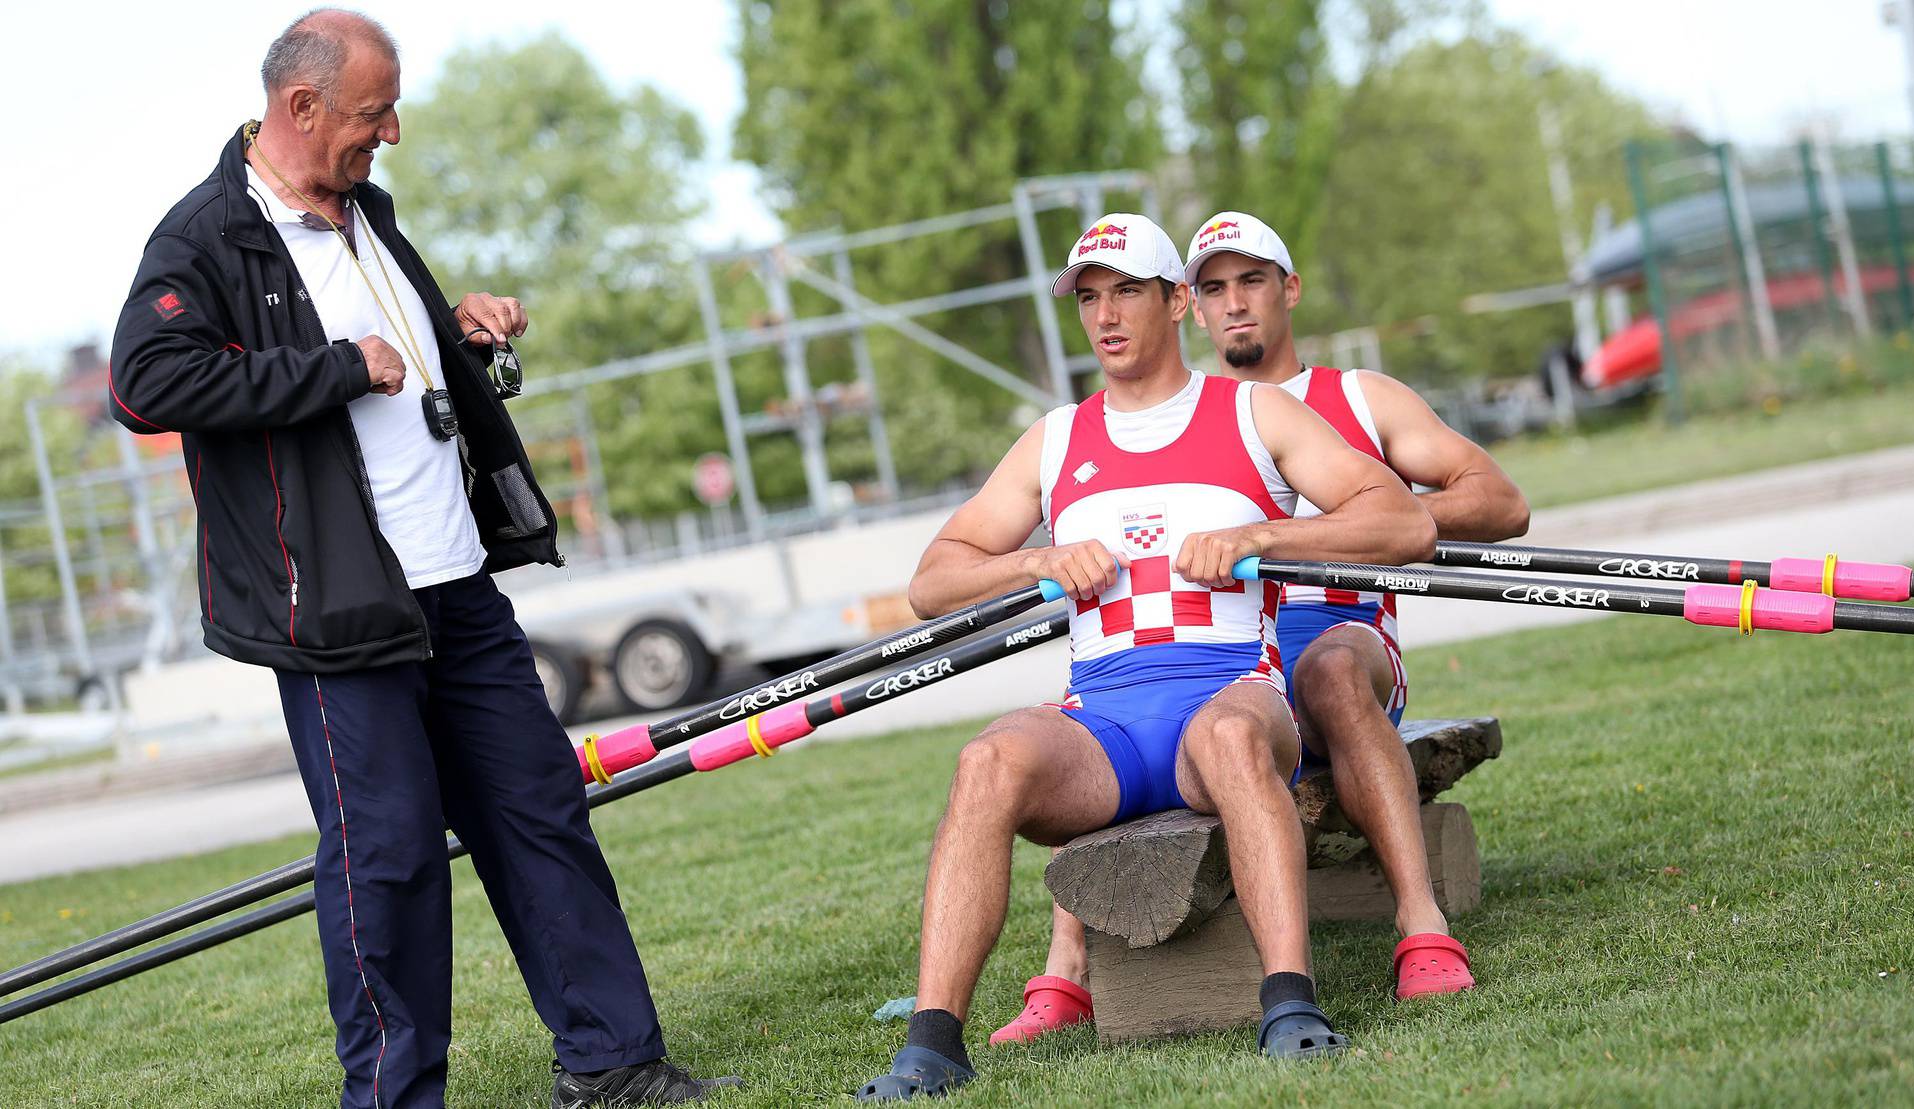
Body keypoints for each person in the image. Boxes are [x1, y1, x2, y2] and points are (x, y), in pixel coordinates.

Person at [107, 11, 732, 1108]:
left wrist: (456, 327)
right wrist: (337, 368)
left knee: (539, 811)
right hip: (341, 614)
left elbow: (394, 347)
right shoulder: (203, 236)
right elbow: (144, 382)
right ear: (299, 107)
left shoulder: (364, 216)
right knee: (387, 864)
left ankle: (613, 1062)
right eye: (371, 112)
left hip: (459, 588)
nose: (391, 132)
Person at [855, 214, 1435, 1100]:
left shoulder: (1252, 411)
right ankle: (931, 1047)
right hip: (1106, 727)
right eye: (1088, 298)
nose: (1105, 315)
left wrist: (1262, 532)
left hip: (1232, 696)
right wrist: (1036, 560)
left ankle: (1290, 1005)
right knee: (986, 760)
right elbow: (934, 581)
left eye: (1126, 291)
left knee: (1238, 742)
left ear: (1175, 302)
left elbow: (1403, 520)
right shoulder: (1053, 440)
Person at [989, 211, 1532, 1047]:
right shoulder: (1189, 417)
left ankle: (1422, 926)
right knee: (1089, 705)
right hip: (1228, 663)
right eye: (1213, 287)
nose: (1233, 303)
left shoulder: (1356, 398)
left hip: (1341, 635)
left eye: (1252, 281)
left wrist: (1330, 522)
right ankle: (1065, 970)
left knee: (1328, 672)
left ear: (1290, 290)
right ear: (1188, 308)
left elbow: (1501, 503)